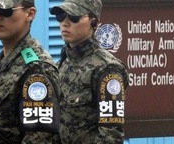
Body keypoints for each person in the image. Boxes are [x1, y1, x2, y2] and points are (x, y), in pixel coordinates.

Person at [50, 0, 129, 143]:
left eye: (74, 17)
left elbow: (111, 134)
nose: (65, 23)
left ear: (94, 22)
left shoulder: (107, 69)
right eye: (61, 16)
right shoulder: (63, 63)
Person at [0, 0, 61, 143]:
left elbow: (40, 139)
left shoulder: (37, 70)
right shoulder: (1, 63)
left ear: (30, 14)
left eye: (5, 10)